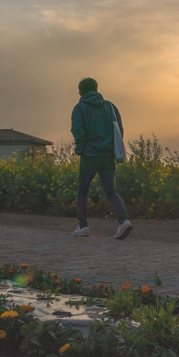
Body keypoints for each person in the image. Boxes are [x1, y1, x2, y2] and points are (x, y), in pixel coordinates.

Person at [70, 77, 133, 239]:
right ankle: (124, 221)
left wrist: (80, 149)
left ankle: (83, 226)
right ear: (97, 89)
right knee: (111, 191)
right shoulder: (110, 107)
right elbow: (119, 130)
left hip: (89, 155)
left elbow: (78, 131)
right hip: (107, 156)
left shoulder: (79, 108)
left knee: (83, 191)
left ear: (81, 91)